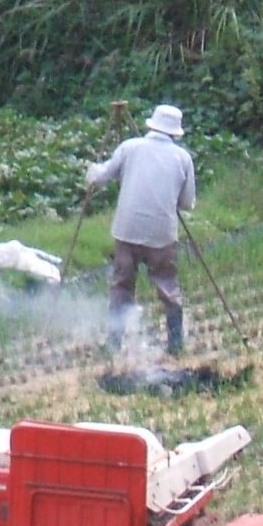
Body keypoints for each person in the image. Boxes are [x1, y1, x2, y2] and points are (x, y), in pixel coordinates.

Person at [86, 103, 196, 355]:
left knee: (122, 285)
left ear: (152, 125)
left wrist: (93, 172)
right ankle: (176, 344)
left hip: (127, 230)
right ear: (175, 133)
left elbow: (102, 176)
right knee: (167, 284)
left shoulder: (130, 147)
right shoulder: (183, 158)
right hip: (162, 234)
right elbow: (187, 203)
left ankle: (114, 344)